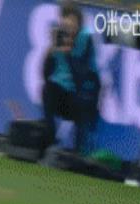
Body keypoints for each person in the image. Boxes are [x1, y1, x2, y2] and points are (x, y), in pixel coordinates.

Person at [42, 1, 100, 155]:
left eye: (71, 23)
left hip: (78, 93)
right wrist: (50, 51)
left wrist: (69, 53)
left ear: (78, 24)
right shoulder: (59, 37)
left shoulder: (85, 39)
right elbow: (45, 74)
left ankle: (78, 151)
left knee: (80, 101)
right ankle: (50, 142)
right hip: (59, 92)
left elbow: (82, 75)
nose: (68, 28)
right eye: (65, 23)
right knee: (47, 89)